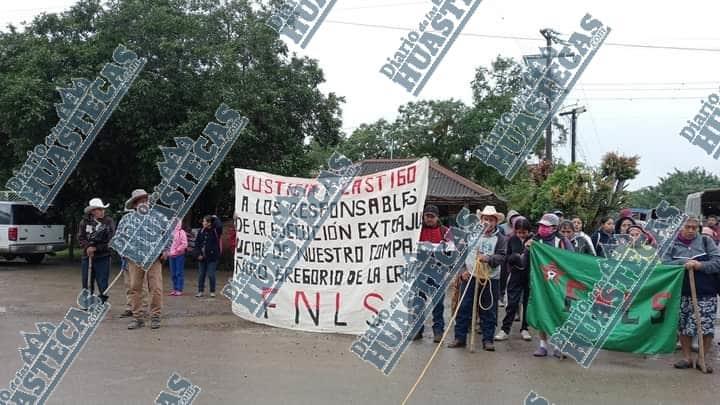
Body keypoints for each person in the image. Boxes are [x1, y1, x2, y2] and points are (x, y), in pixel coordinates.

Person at [662, 216, 720, 373]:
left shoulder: (706, 242)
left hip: (706, 292)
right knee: (684, 326)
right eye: (687, 227)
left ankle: (702, 359)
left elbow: (717, 263)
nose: (691, 230)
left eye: (694, 228)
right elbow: (664, 263)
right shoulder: (671, 244)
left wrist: (699, 265)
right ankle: (687, 358)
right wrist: (682, 263)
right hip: (681, 292)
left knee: (706, 327)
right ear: (680, 228)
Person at [449, 206, 507, 351]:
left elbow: (502, 256)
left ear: (496, 222)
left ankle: (488, 339)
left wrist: (488, 258)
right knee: (464, 308)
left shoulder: (500, 238)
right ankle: (460, 337)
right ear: (480, 220)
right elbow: (461, 254)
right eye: (485, 219)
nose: (487, 222)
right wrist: (462, 270)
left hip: (490, 278)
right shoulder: (470, 235)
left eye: (491, 220)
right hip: (470, 276)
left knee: (488, 309)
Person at [526, 213, 574, 357]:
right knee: (542, 311)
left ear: (554, 228)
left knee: (560, 312)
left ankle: (559, 344)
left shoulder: (562, 241)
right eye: (541, 225)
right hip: (540, 284)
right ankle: (542, 345)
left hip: (559, 284)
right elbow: (527, 259)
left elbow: (571, 259)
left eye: (546, 226)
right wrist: (528, 248)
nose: (542, 228)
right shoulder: (536, 240)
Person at [125, 189, 164, 330]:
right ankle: (138, 317)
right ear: (135, 204)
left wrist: (165, 250)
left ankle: (155, 316)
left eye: (145, 200)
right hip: (134, 258)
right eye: (140, 201)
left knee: (156, 287)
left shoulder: (159, 217)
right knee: (135, 288)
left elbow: (168, 235)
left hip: (154, 257)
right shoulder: (127, 220)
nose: (144, 203)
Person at [414, 204, 452, 343]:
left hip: (438, 272)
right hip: (420, 271)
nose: (429, 219)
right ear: (423, 216)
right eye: (427, 216)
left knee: (438, 303)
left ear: (437, 217)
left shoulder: (445, 232)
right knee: (418, 302)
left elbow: (451, 253)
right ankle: (417, 330)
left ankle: (438, 331)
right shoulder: (416, 231)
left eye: (432, 216)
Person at [495, 217, 533, 342]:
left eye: (524, 232)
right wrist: (516, 257)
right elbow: (507, 258)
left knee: (528, 303)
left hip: (530, 276)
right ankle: (505, 329)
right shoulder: (511, 240)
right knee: (512, 303)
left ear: (528, 231)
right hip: (515, 275)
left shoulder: (535, 241)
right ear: (515, 231)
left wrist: (529, 249)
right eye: (519, 232)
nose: (521, 235)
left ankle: (525, 328)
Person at [77, 198, 115, 306]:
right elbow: (81, 237)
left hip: (103, 256)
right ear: (92, 211)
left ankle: (102, 302)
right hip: (87, 256)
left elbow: (111, 240)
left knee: (102, 281)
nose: (102, 211)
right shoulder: (84, 222)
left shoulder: (108, 222)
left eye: (102, 209)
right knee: (87, 281)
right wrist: (88, 247)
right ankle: (87, 302)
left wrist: (96, 248)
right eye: (99, 209)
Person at [194, 215, 223, 298]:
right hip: (202, 257)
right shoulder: (201, 231)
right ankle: (200, 291)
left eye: (205, 221)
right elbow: (197, 244)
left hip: (213, 257)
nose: (203, 223)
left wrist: (215, 218)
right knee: (201, 274)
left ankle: (212, 291)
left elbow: (220, 225)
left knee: (211, 274)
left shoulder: (215, 230)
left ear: (209, 223)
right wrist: (198, 254)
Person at [164, 221, 188, 296]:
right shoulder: (169, 232)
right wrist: (167, 251)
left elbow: (185, 244)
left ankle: (179, 289)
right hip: (171, 256)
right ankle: (174, 288)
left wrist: (177, 250)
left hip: (179, 255)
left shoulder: (181, 232)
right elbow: (167, 243)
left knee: (179, 272)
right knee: (173, 273)